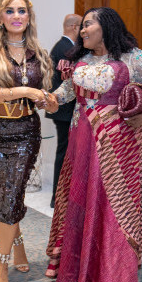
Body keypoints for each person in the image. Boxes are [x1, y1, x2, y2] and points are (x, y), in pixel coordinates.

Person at [45, 7, 142, 282]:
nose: (82, 30)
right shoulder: (82, 59)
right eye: (82, 26)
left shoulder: (132, 57)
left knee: (110, 202)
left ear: (106, 27)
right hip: (81, 139)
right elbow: (67, 91)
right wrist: (50, 99)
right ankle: (77, 269)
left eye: (88, 24)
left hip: (118, 143)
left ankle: (111, 279)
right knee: (80, 197)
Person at [0, 0, 58, 282]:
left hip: (25, 133)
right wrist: (24, 90)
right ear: (1, 17)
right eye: (10, 11)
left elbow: (45, 97)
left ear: (29, 17)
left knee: (10, 195)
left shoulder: (40, 54)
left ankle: (1, 264)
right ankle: (18, 245)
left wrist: (49, 102)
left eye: (22, 11)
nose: (17, 16)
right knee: (3, 196)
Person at [46, 14, 82, 208]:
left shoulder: (61, 47)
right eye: (82, 26)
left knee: (66, 151)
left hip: (63, 110)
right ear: (75, 27)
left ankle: (61, 195)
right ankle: (57, 197)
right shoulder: (66, 49)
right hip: (65, 110)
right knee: (64, 152)